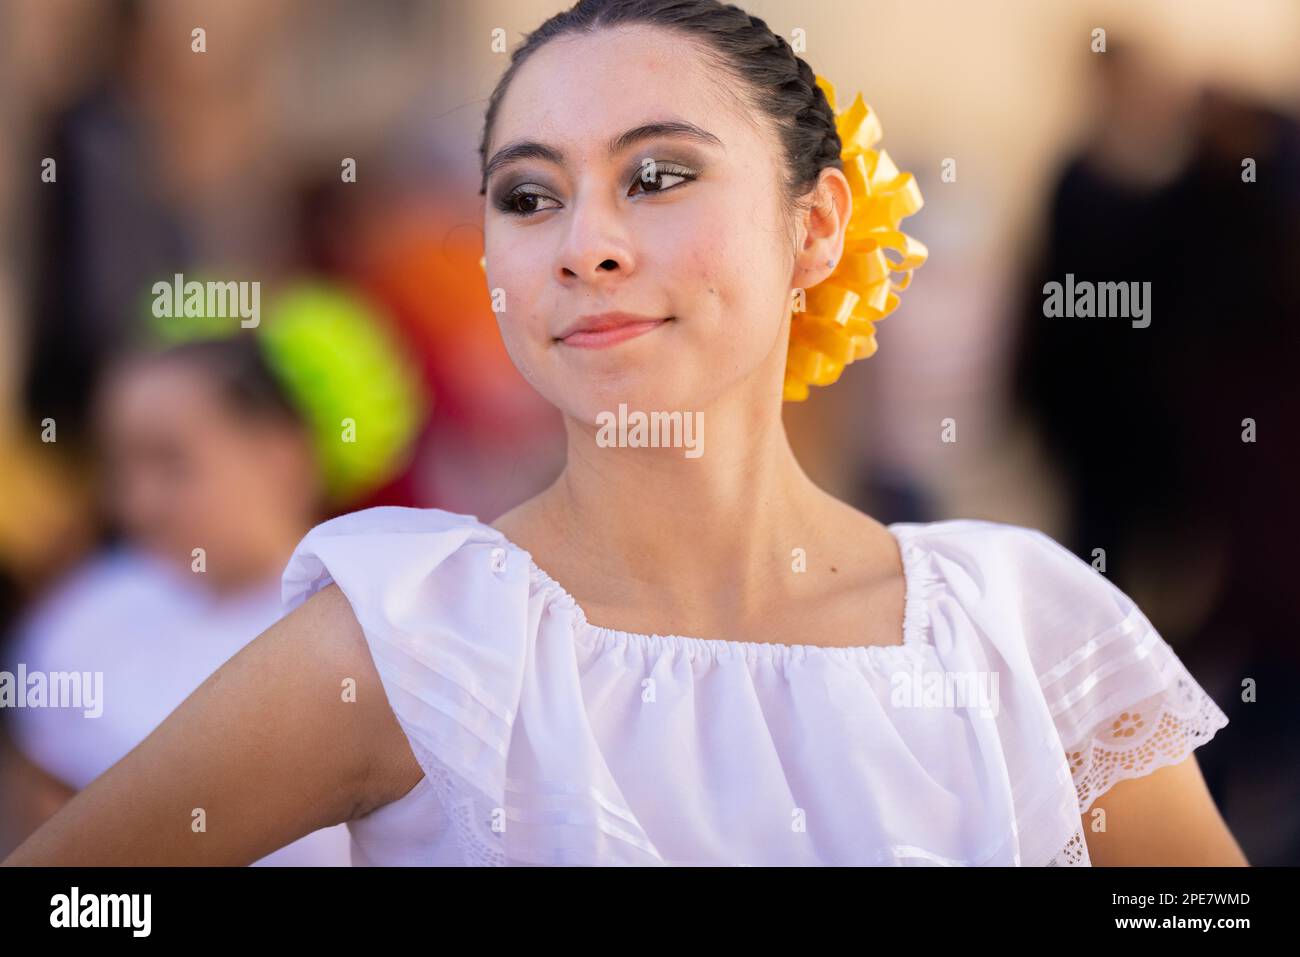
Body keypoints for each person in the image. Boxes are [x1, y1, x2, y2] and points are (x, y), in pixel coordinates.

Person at [2, 0, 1245, 867]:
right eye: (529, 196)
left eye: (657, 176)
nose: (584, 244)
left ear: (815, 228)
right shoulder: (415, 639)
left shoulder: (1030, 629)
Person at [0, 336, 353, 864]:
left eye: (170, 462)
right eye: (120, 466)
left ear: (282, 454)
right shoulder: (85, 615)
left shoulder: (361, 628)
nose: (137, 503)